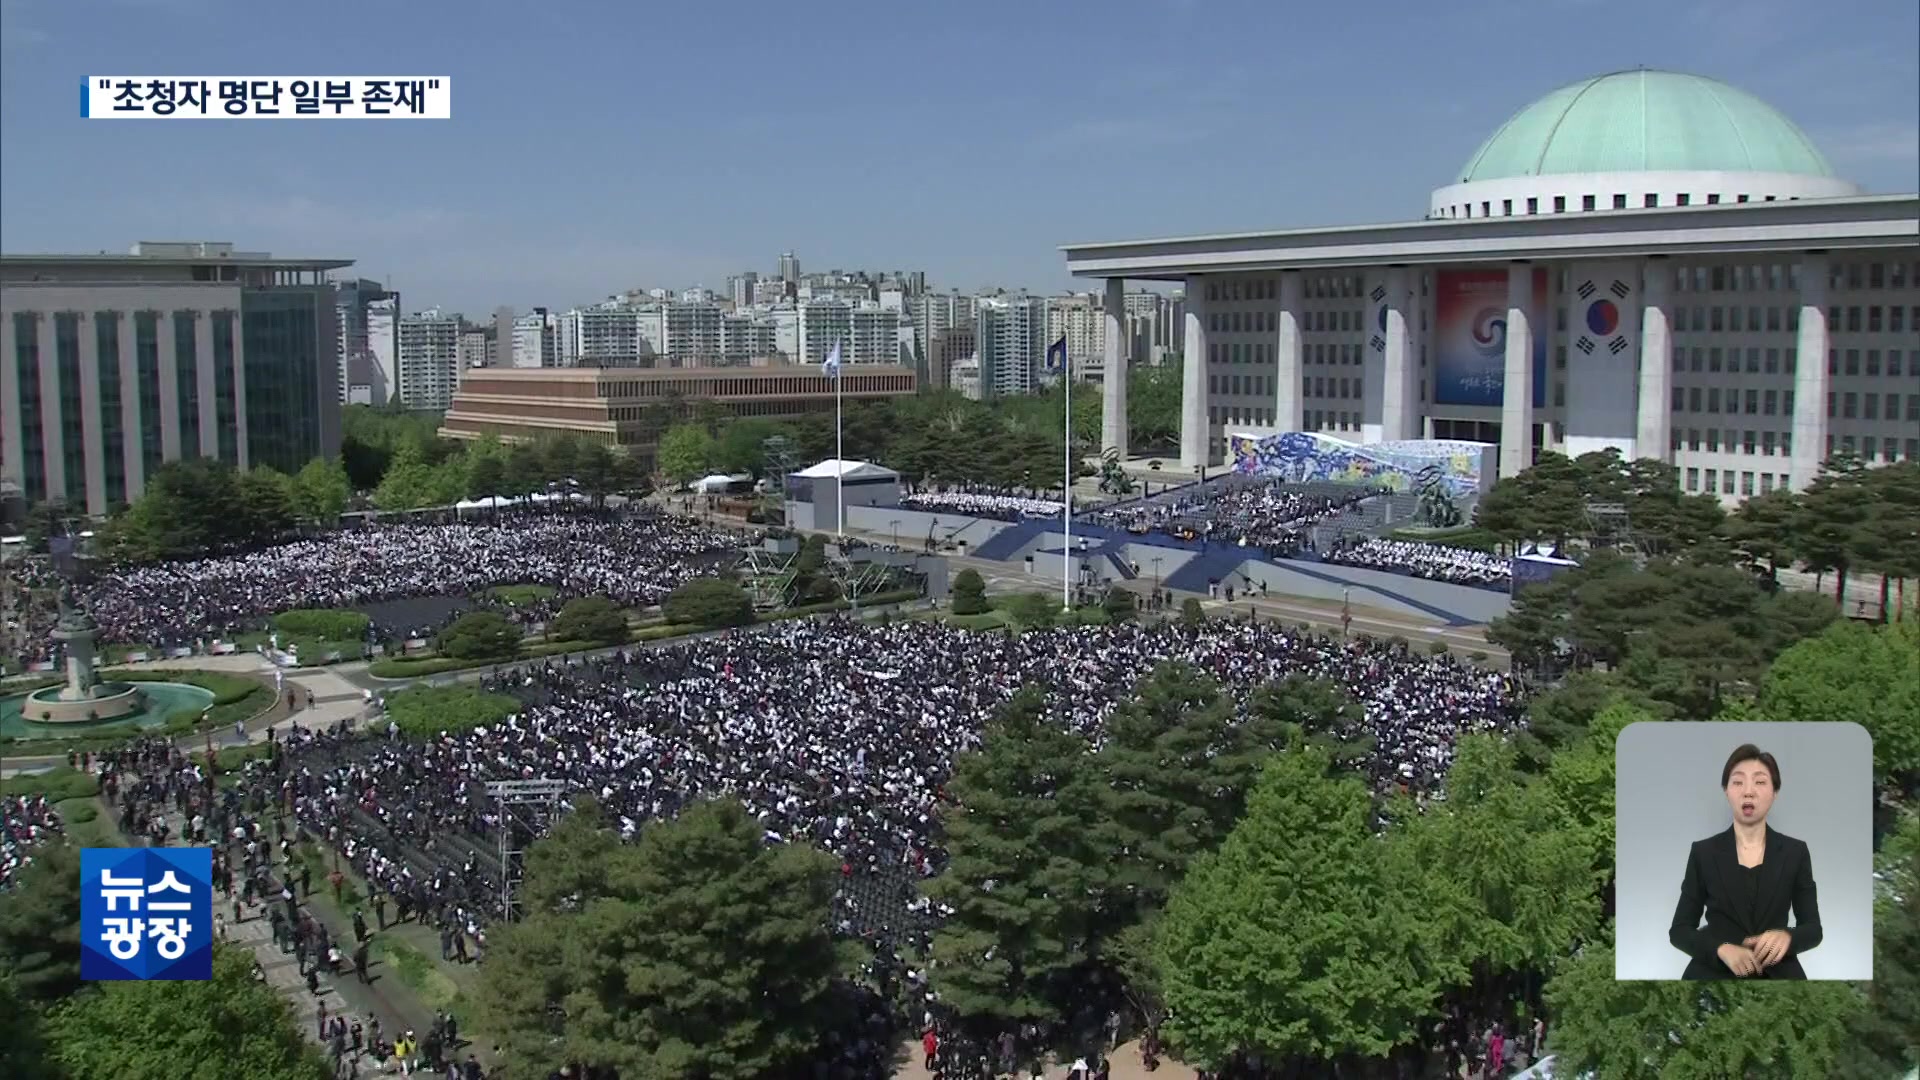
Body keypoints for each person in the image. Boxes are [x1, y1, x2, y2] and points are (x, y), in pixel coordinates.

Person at [1668, 743, 1823, 979]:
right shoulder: (1703, 852)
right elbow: (1679, 930)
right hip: (1714, 970)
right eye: (1738, 782)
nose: (1748, 791)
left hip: (1779, 970)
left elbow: (1813, 929)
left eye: (1760, 782)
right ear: (1726, 791)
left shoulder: (1795, 852)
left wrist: (1788, 937)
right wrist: (1720, 949)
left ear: (1774, 792)